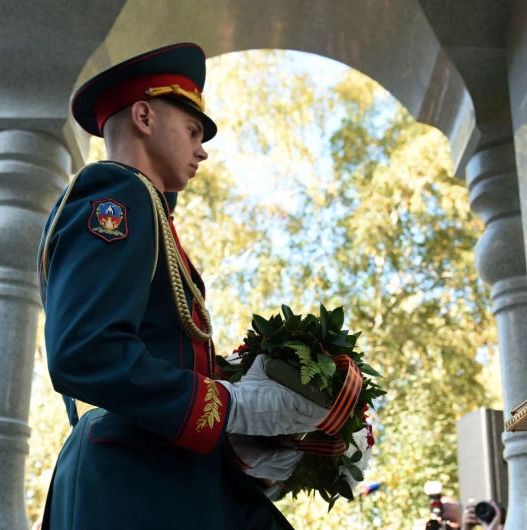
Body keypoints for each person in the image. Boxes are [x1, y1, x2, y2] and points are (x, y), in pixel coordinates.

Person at [38, 42, 329, 529]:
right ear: (145, 117)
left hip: (155, 467)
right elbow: (84, 351)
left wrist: (254, 420)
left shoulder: (146, 207)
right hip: (137, 477)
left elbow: (158, 351)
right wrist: (231, 407)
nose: (202, 149)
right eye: (193, 129)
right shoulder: (120, 196)